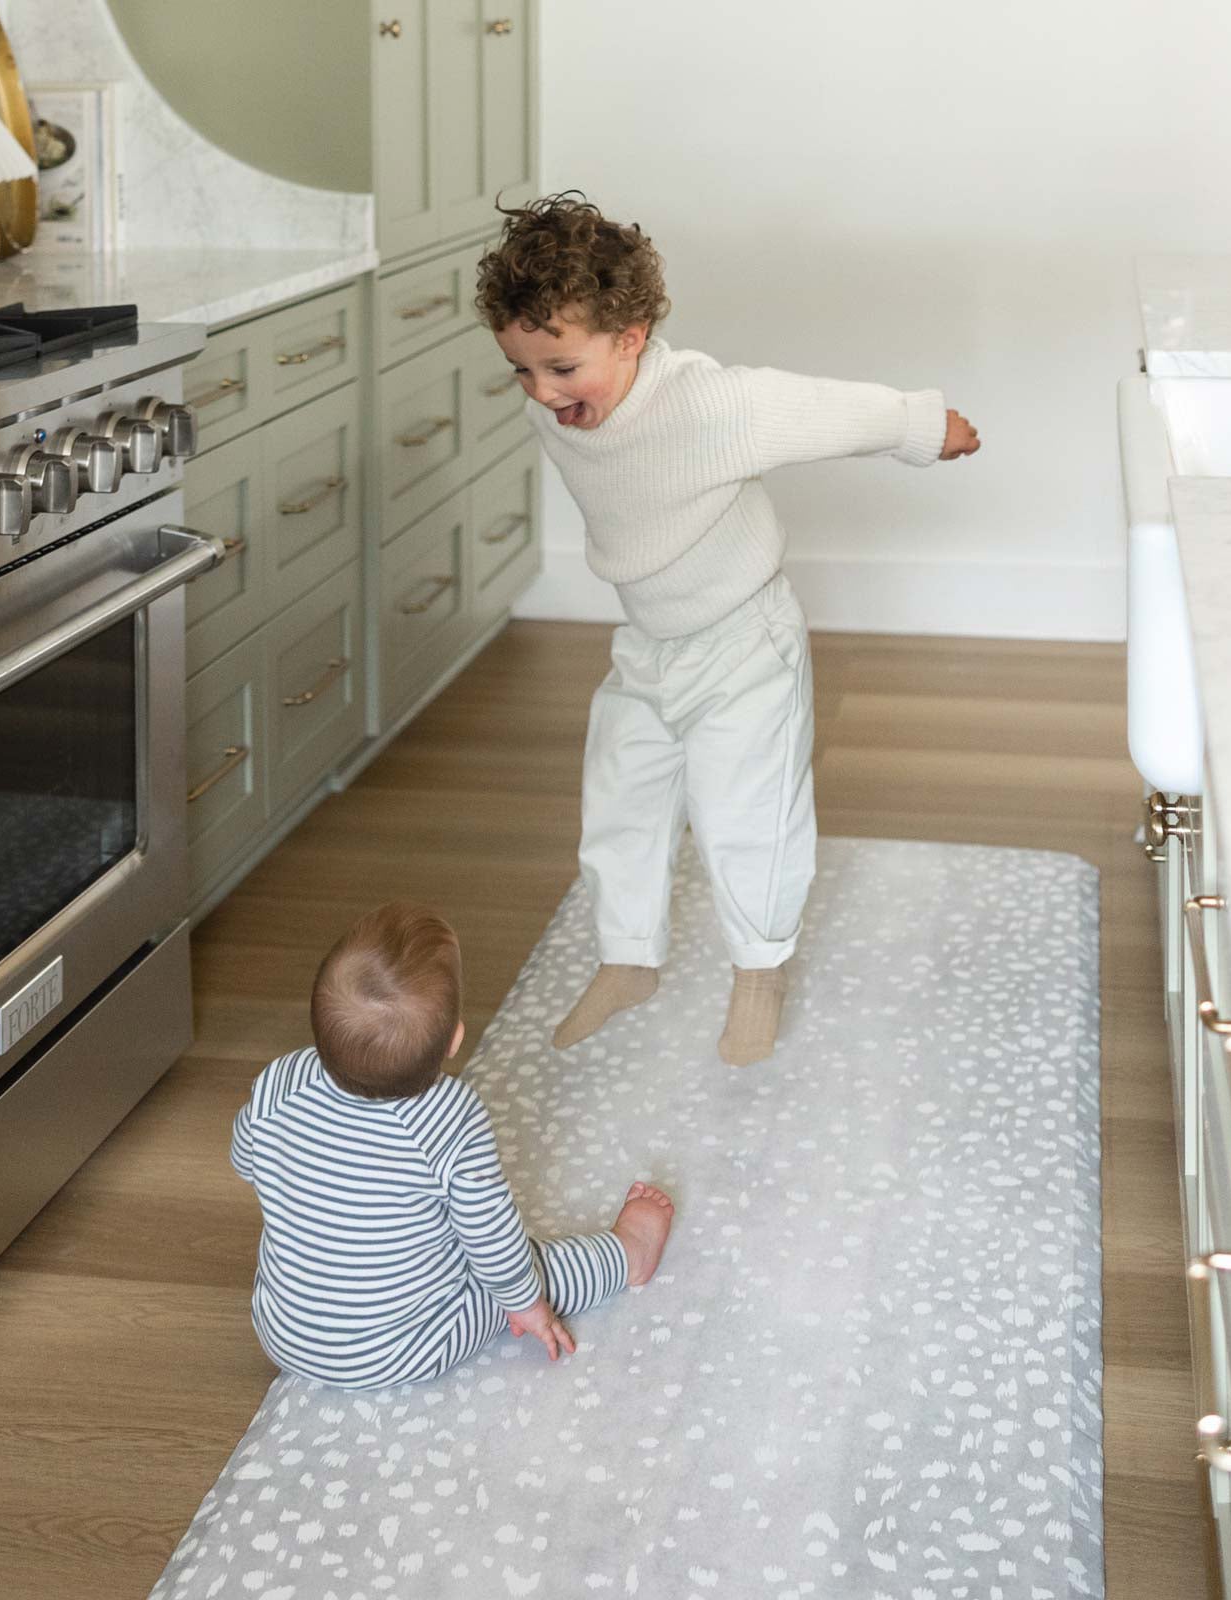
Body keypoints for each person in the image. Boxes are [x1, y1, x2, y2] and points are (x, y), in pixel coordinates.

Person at [474, 193, 981, 1066]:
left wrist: (921, 426)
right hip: (648, 645)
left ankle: (759, 972)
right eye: (521, 371)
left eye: (560, 368)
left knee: (745, 816)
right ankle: (629, 959)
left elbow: (816, 408)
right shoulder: (556, 407)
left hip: (746, 642)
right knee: (620, 801)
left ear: (630, 338)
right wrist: (555, 384)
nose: (542, 394)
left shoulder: (708, 406)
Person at [231, 902, 675, 1388]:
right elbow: (492, 1237)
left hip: (281, 1332)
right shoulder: (450, 1119)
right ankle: (627, 1254)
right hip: (400, 1347)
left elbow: (248, 1163)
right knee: (522, 1272)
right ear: (455, 1039)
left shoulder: (279, 1082)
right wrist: (526, 1304)